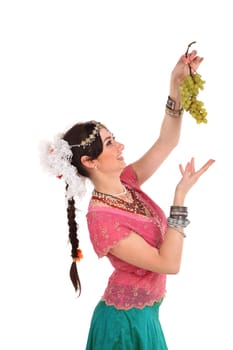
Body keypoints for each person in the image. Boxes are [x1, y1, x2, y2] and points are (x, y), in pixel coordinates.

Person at [40, 49, 215, 350]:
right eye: (110, 143)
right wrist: (180, 197)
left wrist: (175, 85)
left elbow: (167, 141)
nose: (121, 145)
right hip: (122, 328)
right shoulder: (102, 219)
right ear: (90, 162)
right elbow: (169, 263)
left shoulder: (127, 182)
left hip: (146, 317)